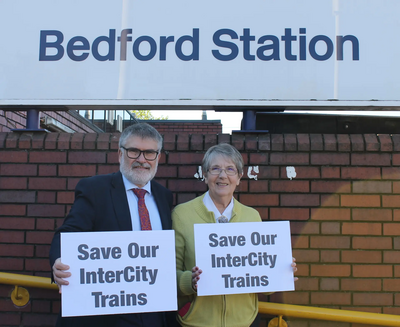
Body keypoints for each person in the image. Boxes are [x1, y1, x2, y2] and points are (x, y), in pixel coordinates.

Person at [49, 123, 176, 327]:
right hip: (106, 314)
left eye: (150, 153)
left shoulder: (164, 197)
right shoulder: (94, 189)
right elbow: (67, 234)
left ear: (158, 157)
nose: (142, 159)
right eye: (134, 151)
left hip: (153, 311)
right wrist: (58, 262)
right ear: (120, 154)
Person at [172, 143, 297, 327]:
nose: (223, 176)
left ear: (239, 177)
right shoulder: (182, 214)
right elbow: (167, 276)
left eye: (230, 169)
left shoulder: (252, 216)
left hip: (245, 322)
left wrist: (279, 273)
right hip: (197, 322)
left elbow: (261, 279)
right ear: (205, 175)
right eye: (215, 169)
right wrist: (188, 281)